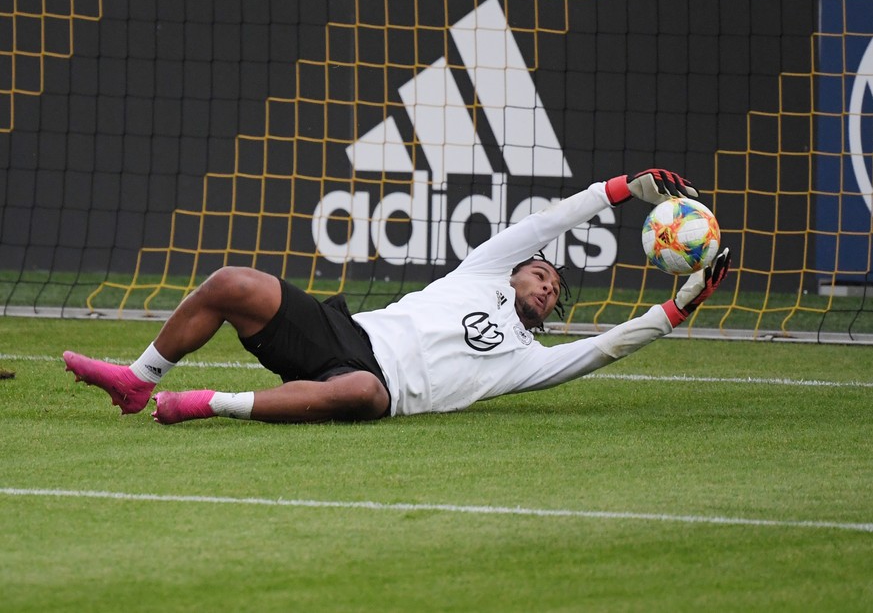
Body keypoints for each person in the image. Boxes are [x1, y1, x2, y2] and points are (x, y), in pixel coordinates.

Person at [64, 169, 731, 425]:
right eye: (541, 272)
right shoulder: (480, 272)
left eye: (554, 286)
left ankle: (208, 405)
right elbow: (543, 223)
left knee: (360, 394)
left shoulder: (526, 360)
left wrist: (676, 309)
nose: (547, 279)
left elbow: (603, 349)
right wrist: (620, 190)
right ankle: (138, 378)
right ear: (515, 273)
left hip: (375, 388)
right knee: (231, 283)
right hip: (343, 336)